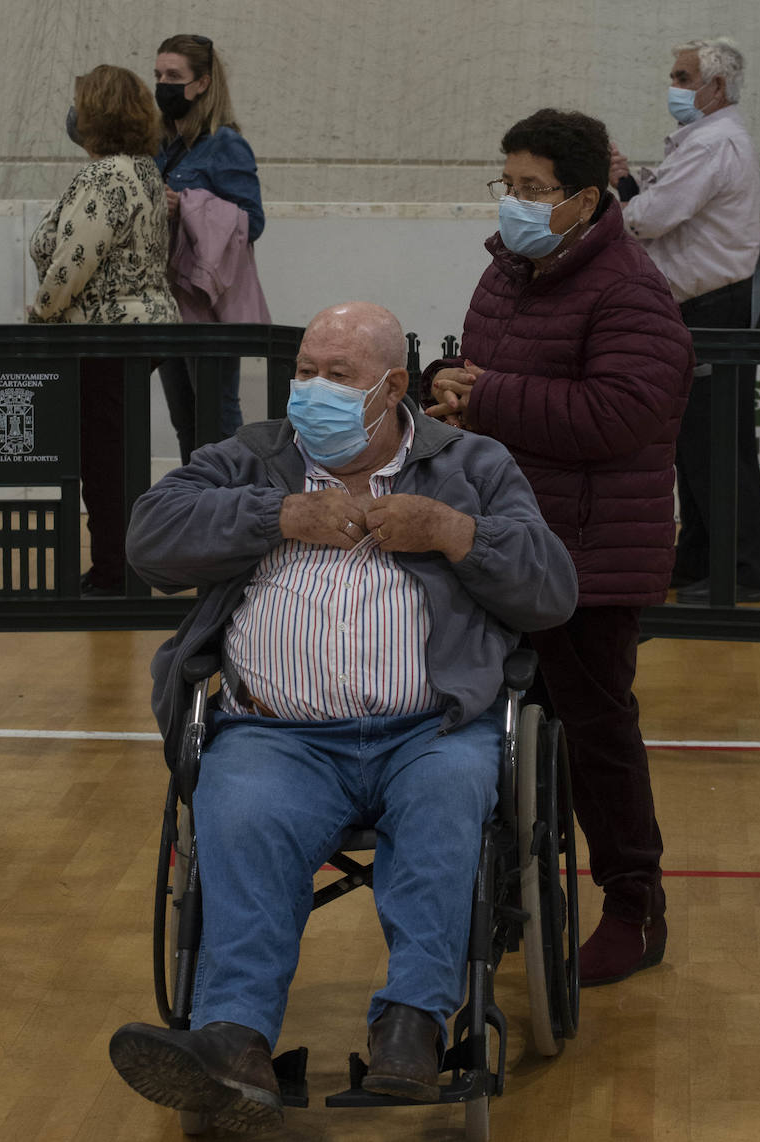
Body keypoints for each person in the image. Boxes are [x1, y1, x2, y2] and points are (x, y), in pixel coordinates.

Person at [109, 301, 578, 1132]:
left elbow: (550, 591)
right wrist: (274, 516)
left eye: (337, 376)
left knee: (447, 804)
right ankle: (236, 1041)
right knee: (239, 807)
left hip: (428, 731)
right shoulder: (253, 460)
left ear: (392, 387)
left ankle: (412, 1025)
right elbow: (150, 540)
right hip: (275, 734)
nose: (310, 391)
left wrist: (450, 532)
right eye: (303, 371)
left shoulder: (469, 464)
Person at [424, 109, 694, 987]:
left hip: (590, 555)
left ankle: (631, 903)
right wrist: (450, 391)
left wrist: (488, 396)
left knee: (594, 732)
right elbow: (483, 382)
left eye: (530, 190)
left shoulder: (629, 290)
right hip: (501, 544)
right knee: (492, 728)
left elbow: (617, 415)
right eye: (505, 185)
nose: (513, 203)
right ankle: (509, 890)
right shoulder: (504, 276)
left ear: (584, 198)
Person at [611, 38, 760, 603]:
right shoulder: (704, 140)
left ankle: (742, 571)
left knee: (717, 443)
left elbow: (651, 220)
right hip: (698, 306)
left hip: (713, 308)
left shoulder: (713, 144)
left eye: (683, 76)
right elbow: (661, 214)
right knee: (695, 442)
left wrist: (623, 200)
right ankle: (702, 556)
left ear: (717, 87)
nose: (673, 85)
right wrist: (628, 182)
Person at [28, 65, 180, 595]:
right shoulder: (143, 169)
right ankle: (122, 565)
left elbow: (73, 263)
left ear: (95, 114)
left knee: (102, 458)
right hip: (146, 331)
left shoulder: (103, 176)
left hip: (105, 336)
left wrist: (40, 316)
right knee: (117, 453)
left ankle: (114, 573)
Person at [153, 33, 266, 460]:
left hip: (208, 302)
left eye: (174, 75)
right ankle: (194, 507)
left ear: (202, 82)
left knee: (216, 418)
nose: (163, 84)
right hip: (168, 302)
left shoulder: (225, 143)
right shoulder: (162, 145)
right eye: (158, 74)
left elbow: (251, 222)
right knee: (184, 419)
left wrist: (186, 205)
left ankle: (229, 508)